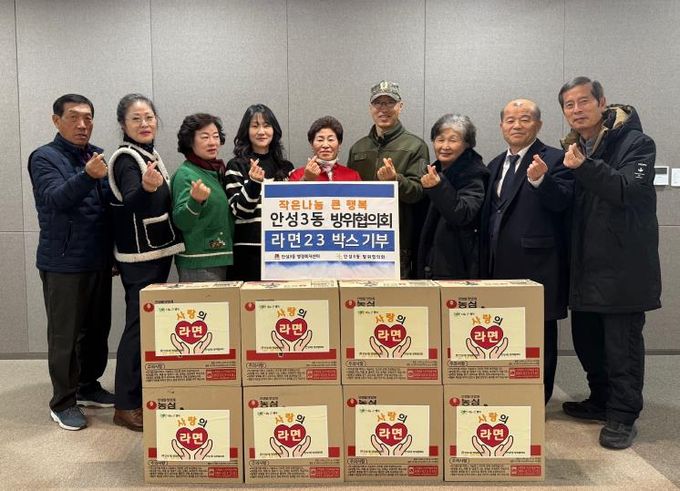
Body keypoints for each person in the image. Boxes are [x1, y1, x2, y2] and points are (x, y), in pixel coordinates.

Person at [558, 77, 661, 449]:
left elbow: (626, 189)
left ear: (602, 103)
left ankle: (623, 414)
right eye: (569, 105)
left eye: (584, 101)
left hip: (623, 269)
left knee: (622, 349)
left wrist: (584, 167)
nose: (577, 110)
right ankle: (601, 400)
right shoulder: (575, 147)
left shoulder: (637, 143)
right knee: (589, 343)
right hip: (586, 268)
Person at [28, 94, 114, 431]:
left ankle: (87, 385)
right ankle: (62, 402)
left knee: (97, 330)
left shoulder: (97, 155)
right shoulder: (43, 157)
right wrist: (87, 176)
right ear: (56, 120)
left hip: (97, 259)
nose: (82, 124)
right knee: (65, 335)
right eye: (74, 117)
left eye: (88, 118)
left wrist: (112, 254)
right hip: (62, 262)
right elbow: (54, 200)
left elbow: (105, 210)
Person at [479, 99, 573, 405]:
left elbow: (563, 202)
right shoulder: (495, 164)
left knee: (539, 334)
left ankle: (537, 399)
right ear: (501, 126)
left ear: (538, 125)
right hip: (498, 264)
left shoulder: (555, 159)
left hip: (538, 265)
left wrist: (540, 180)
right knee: (502, 331)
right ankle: (507, 392)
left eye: (524, 119)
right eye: (510, 120)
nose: (516, 125)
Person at [107, 94, 184, 431]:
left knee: (145, 326)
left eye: (149, 117)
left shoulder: (147, 153)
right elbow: (131, 202)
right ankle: (125, 405)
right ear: (123, 124)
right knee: (137, 328)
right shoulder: (126, 158)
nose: (144, 124)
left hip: (155, 251)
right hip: (141, 257)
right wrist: (146, 189)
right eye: (136, 119)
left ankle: (137, 396)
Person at [346, 80, 429, 278]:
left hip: (398, 243)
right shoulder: (358, 148)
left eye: (390, 102)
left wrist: (395, 180)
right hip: (360, 241)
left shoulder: (416, 146)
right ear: (370, 108)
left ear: (401, 106)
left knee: (395, 296)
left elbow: (419, 192)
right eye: (378, 103)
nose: (383, 109)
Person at [225, 104, 293, 281]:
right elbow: (239, 211)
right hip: (248, 252)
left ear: (274, 130)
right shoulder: (236, 165)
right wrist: (254, 183)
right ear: (246, 131)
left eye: (266, 125)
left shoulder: (286, 167)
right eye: (255, 126)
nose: (261, 131)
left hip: (281, 250)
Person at [416, 114, 488, 280]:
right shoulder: (432, 172)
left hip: (456, 268)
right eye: (440, 140)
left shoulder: (474, 173)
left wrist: (438, 187)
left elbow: (463, 214)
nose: (445, 146)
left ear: (467, 144)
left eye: (453, 140)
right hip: (431, 263)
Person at [171, 113, 234, 281]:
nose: (212, 142)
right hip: (199, 262)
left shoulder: (216, 171)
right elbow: (181, 221)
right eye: (205, 137)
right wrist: (195, 201)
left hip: (218, 256)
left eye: (216, 136)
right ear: (190, 141)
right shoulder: (186, 174)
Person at [289, 116, 360, 181]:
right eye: (320, 140)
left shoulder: (353, 176)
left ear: (339, 145)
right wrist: (306, 179)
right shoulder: (297, 175)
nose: (325, 145)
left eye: (330, 140)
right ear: (311, 144)